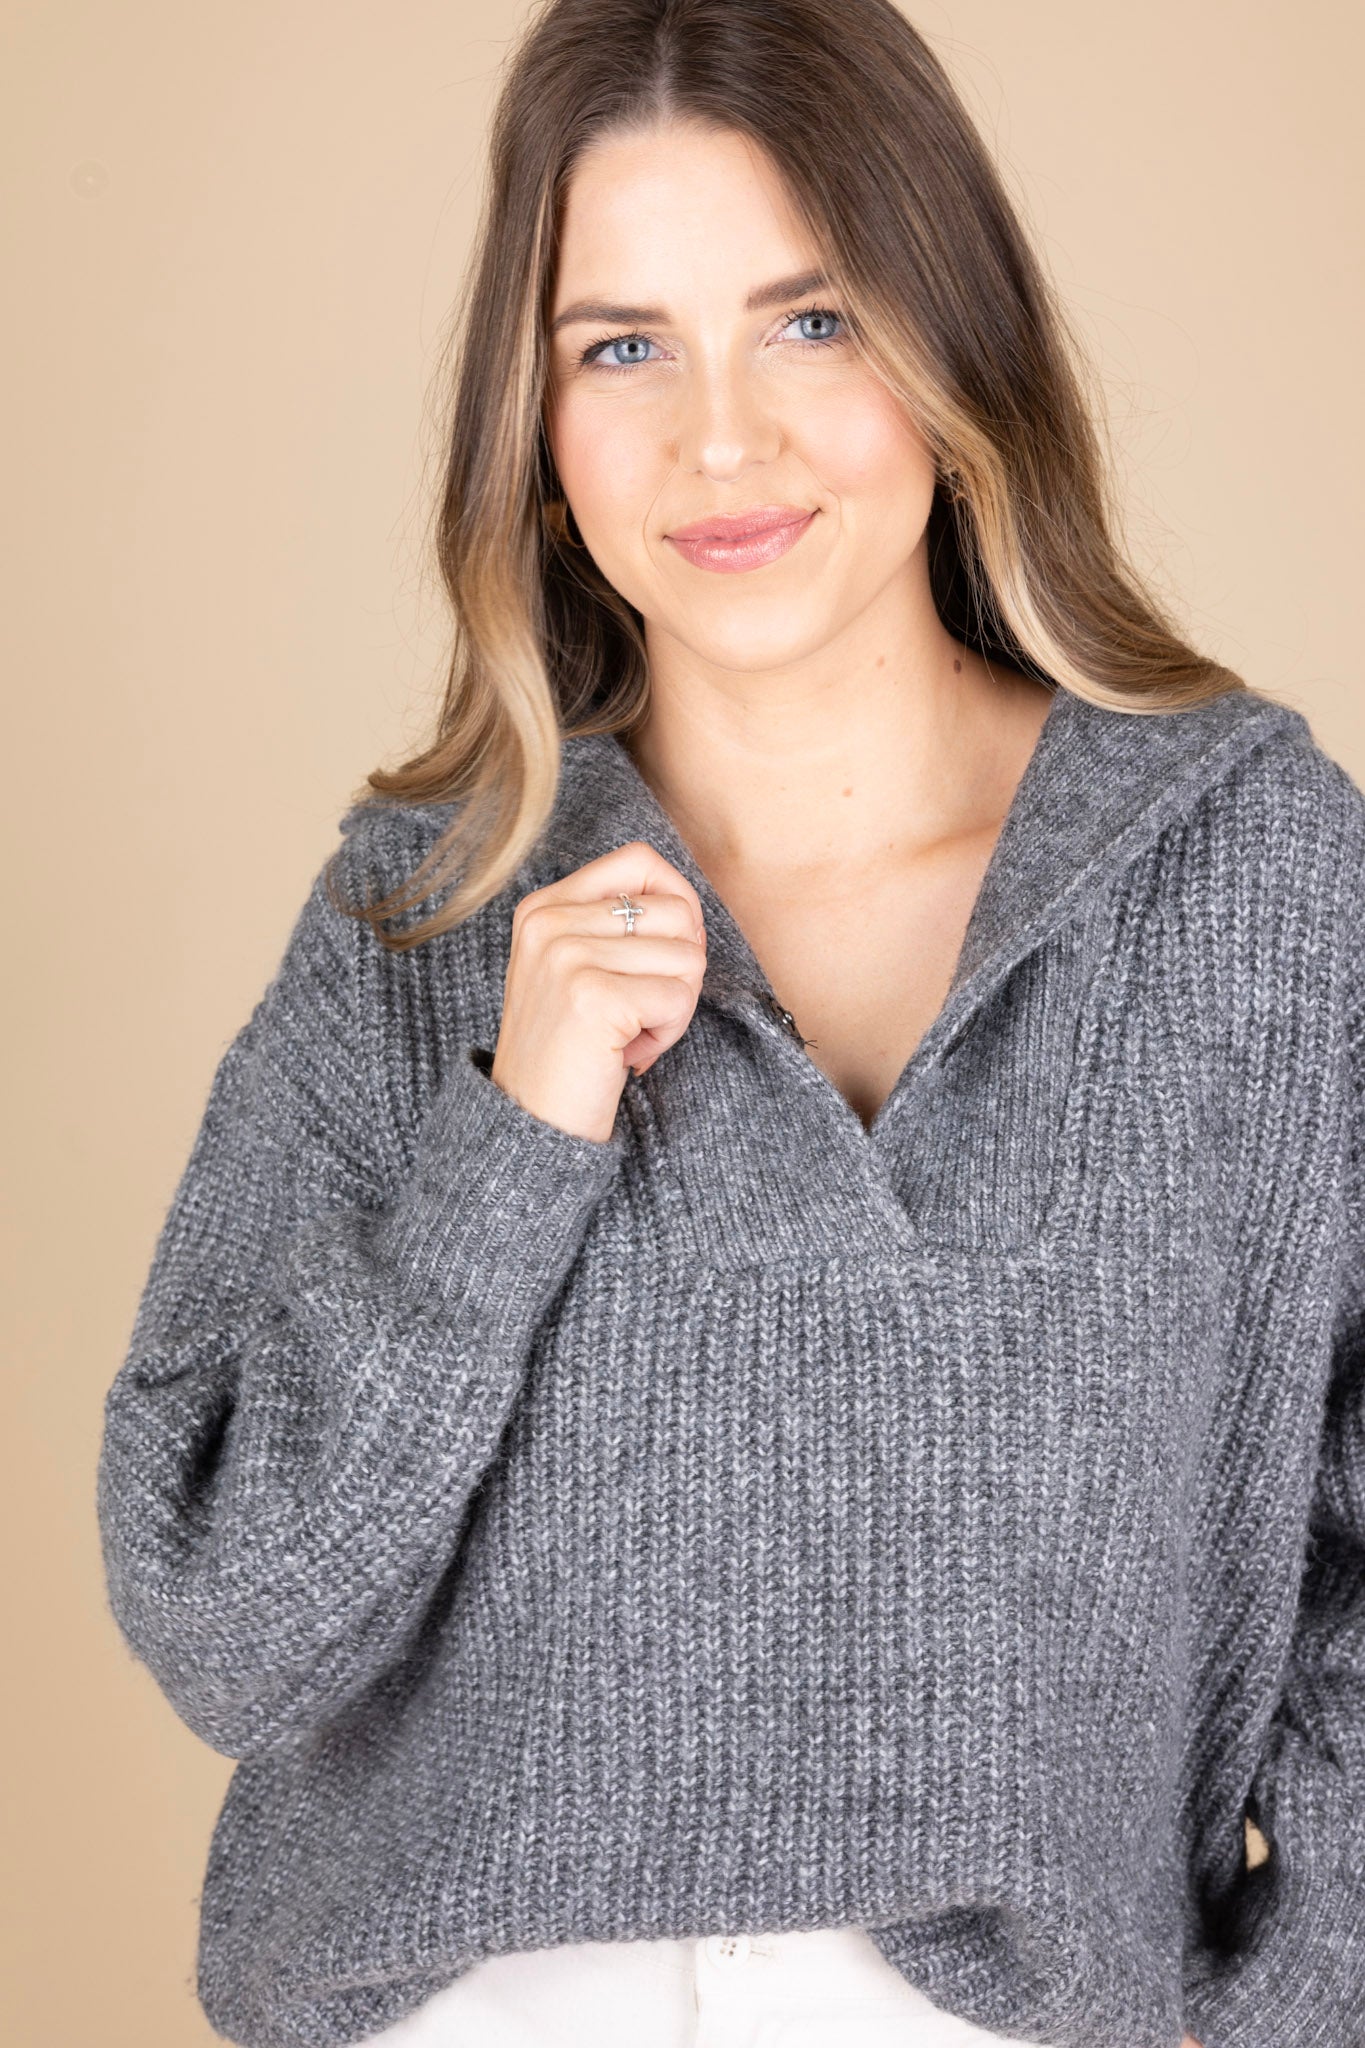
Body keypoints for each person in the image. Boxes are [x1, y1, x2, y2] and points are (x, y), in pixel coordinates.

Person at [94, 3, 1364, 2046]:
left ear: (954, 354)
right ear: (534, 418)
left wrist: (1299, 2006)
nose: (717, 442)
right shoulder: (419, 911)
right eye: (620, 345)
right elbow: (227, 1628)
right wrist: (510, 1147)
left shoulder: (1251, 887)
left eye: (810, 320)